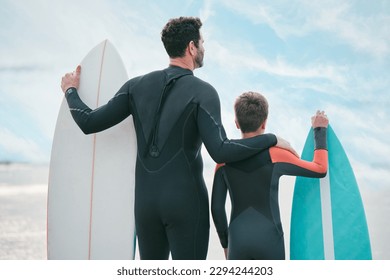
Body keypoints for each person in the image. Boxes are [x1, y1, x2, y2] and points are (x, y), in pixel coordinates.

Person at [60, 17, 296, 260]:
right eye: (202, 43)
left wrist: (70, 91)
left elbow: (88, 123)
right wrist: (270, 139)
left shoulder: (135, 86)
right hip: (186, 204)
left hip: (146, 206)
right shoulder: (204, 93)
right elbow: (222, 151)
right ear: (192, 47)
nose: (203, 48)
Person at [211, 91, 329, 260]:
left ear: (237, 123)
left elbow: (216, 208)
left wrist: (226, 244)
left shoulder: (223, 161)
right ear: (264, 123)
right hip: (269, 239)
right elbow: (319, 169)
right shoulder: (276, 154)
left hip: (238, 240)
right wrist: (319, 131)